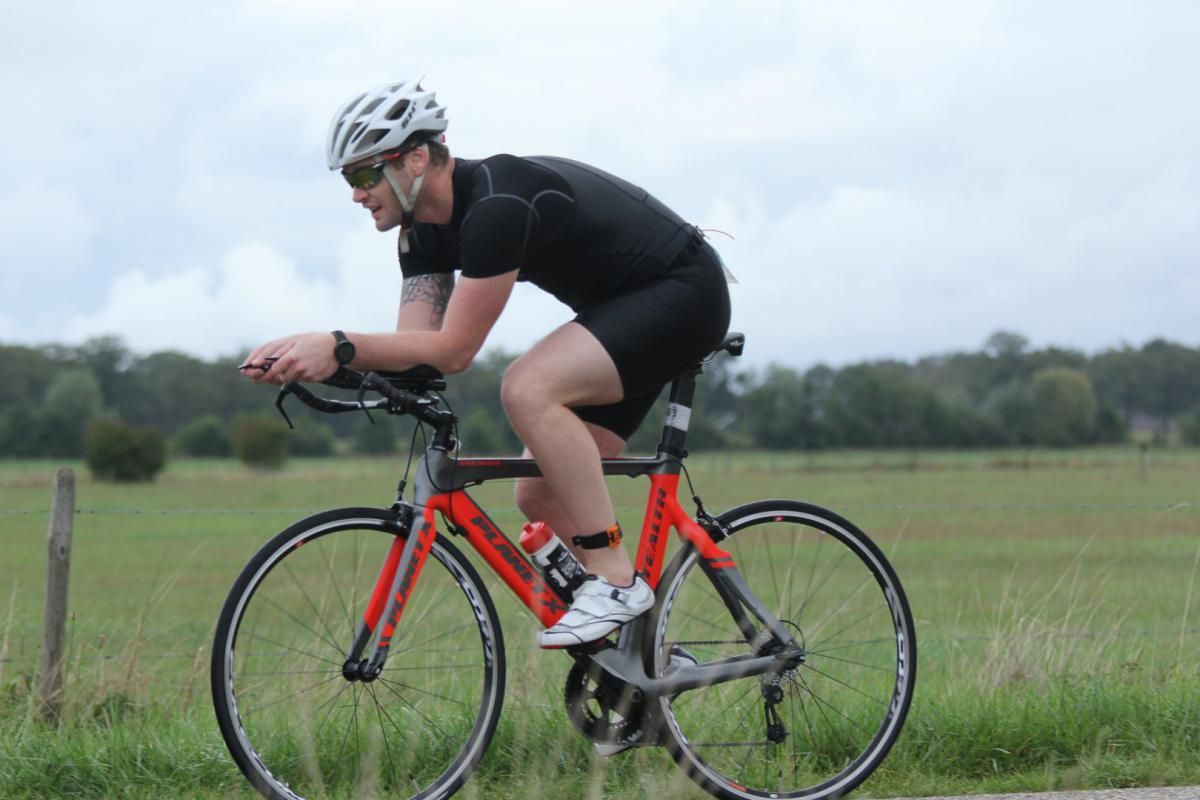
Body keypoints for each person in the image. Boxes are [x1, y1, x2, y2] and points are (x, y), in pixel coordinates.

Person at [241, 79, 731, 648]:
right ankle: (642, 667)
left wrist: (338, 343)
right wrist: (322, 364)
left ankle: (616, 581)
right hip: (622, 311)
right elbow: (417, 354)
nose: (356, 193)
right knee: (540, 493)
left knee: (528, 387)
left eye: (364, 174)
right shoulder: (419, 235)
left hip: (682, 291)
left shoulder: (497, 204)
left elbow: (454, 350)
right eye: (349, 179)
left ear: (417, 158)